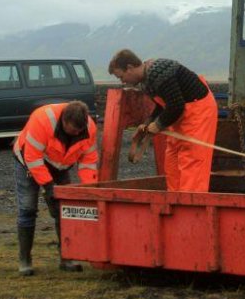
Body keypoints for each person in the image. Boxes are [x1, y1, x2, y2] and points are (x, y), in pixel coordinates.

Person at [108, 49, 217, 193]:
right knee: (172, 162)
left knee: (192, 162)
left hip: (198, 112)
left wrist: (158, 125)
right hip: (180, 114)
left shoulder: (159, 73)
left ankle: (192, 208)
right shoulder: (146, 81)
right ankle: (176, 202)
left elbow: (176, 105)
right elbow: (162, 105)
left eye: (121, 77)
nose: (122, 81)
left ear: (130, 68)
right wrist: (148, 123)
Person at [12, 100, 98, 276]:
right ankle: (25, 260)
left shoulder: (89, 129)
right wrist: (49, 187)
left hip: (60, 166)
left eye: (79, 131)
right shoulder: (42, 120)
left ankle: (67, 258)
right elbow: (32, 157)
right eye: (72, 131)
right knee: (28, 208)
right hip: (28, 163)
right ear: (64, 121)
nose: (76, 134)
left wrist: (89, 191)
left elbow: (88, 162)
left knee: (64, 210)